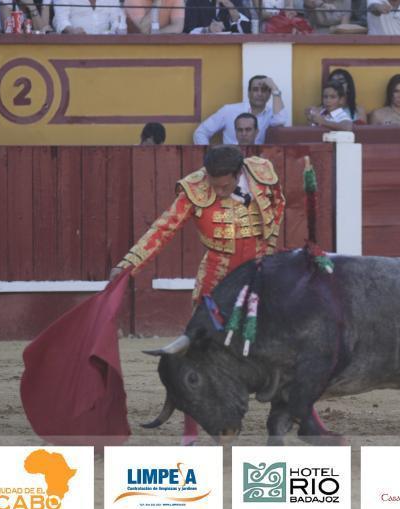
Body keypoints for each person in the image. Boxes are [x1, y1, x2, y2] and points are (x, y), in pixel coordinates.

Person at [110, 145, 285, 445]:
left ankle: (304, 419)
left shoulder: (261, 175)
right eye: (213, 185)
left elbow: (278, 204)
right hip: (218, 275)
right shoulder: (194, 189)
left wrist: (269, 248)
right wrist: (129, 264)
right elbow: (162, 229)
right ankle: (189, 432)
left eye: (225, 185)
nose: (218, 191)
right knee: (196, 355)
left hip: (259, 274)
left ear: (239, 173)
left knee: (283, 346)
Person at [193, 75, 286, 144]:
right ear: (249, 93)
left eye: (264, 90)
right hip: (229, 161)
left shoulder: (271, 114)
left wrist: (275, 89)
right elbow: (201, 132)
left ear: (270, 94)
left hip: (256, 162)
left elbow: (280, 121)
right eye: (255, 89)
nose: (259, 94)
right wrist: (208, 154)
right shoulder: (229, 111)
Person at [53, 0, 125, 34]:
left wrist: (117, 28)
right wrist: (72, 30)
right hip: (74, 45)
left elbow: (116, 20)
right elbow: (61, 21)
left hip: (106, 46)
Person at [184, 0, 252, 33]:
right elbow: (188, 31)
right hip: (202, 48)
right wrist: (207, 30)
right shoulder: (194, 1)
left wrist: (231, 7)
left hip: (230, 49)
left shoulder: (234, 1)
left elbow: (247, 30)